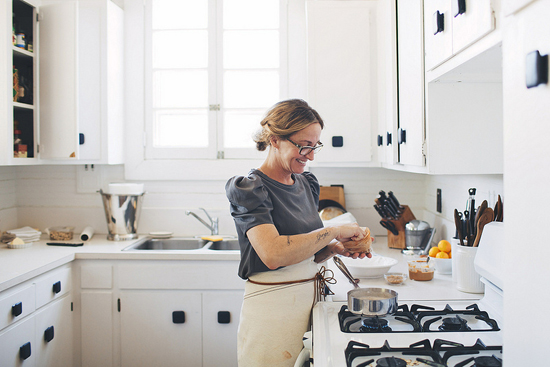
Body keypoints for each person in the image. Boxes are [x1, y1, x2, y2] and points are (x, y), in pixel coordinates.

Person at [225, 99, 372, 367]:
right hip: (272, 314)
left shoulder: (306, 183)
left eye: (315, 146)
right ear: (274, 139)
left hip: (310, 306)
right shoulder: (249, 188)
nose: (311, 155)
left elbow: (305, 253)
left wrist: (334, 249)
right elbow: (273, 254)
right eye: (304, 145)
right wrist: (334, 232)